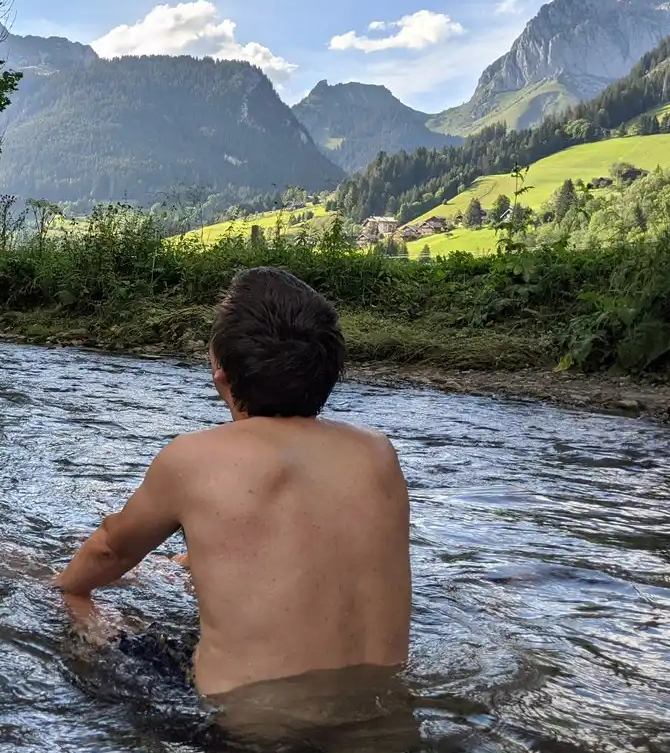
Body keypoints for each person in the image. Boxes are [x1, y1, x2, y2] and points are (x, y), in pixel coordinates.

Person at [50, 266, 411, 702]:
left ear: (220, 370)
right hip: (378, 720)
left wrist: (65, 589)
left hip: (244, 725)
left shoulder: (194, 457)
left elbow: (110, 548)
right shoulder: (378, 453)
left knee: (70, 606)